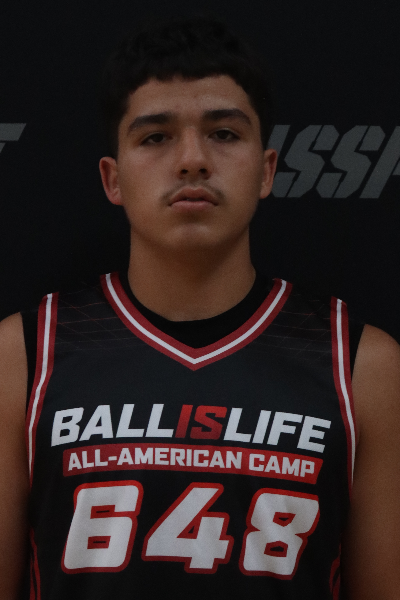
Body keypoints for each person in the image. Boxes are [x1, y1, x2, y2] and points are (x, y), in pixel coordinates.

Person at [0, 15, 399, 600]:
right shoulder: (24, 356)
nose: (192, 160)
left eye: (224, 134)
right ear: (113, 179)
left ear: (266, 170)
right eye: (155, 137)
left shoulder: (360, 364)